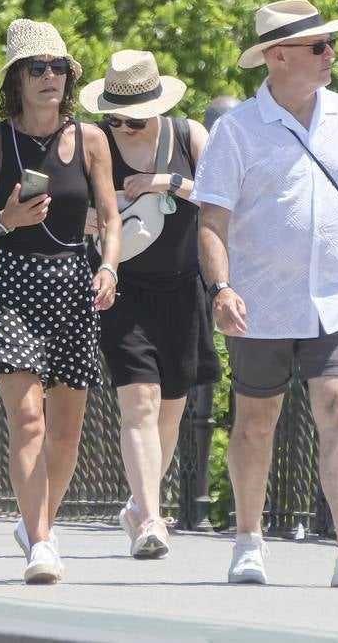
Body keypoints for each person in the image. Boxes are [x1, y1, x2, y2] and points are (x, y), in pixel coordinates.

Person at [192, 0, 338, 588]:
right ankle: (247, 540)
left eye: (331, 44)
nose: (331, 55)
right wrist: (221, 287)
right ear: (278, 56)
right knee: (256, 419)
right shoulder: (236, 129)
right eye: (319, 46)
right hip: (259, 302)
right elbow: (211, 223)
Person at [0, 19, 121, 584]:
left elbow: (112, 218)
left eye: (58, 68)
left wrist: (108, 266)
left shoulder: (91, 140)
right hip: (16, 288)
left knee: (66, 431)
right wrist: (4, 219)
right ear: (16, 80)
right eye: (37, 68)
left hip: (74, 287)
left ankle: (38, 521)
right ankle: (42, 544)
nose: (49, 77)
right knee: (27, 419)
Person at [79, 49, 221, 559]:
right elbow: (68, 204)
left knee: (171, 411)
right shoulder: (93, 141)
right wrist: (93, 221)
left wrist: (166, 182)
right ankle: (152, 521)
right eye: (113, 117)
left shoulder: (188, 137)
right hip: (121, 288)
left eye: (132, 119)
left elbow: (221, 197)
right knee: (138, 402)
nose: (122, 127)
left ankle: (140, 506)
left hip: (183, 291)